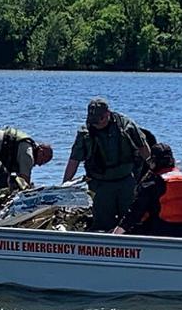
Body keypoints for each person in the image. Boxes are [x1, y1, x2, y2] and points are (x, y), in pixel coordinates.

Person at [63, 98, 150, 231]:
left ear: (108, 114)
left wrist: (153, 174)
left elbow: (144, 150)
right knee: (102, 224)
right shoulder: (85, 133)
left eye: (100, 119)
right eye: (93, 121)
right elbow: (73, 161)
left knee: (131, 222)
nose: (96, 124)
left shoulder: (126, 126)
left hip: (126, 181)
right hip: (100, 184)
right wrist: (65, 186)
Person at [113, 143, 182, 237]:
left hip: (159, 233)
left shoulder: (152, 184)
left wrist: (115, 234)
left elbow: (135, 213)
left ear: (153, 161)